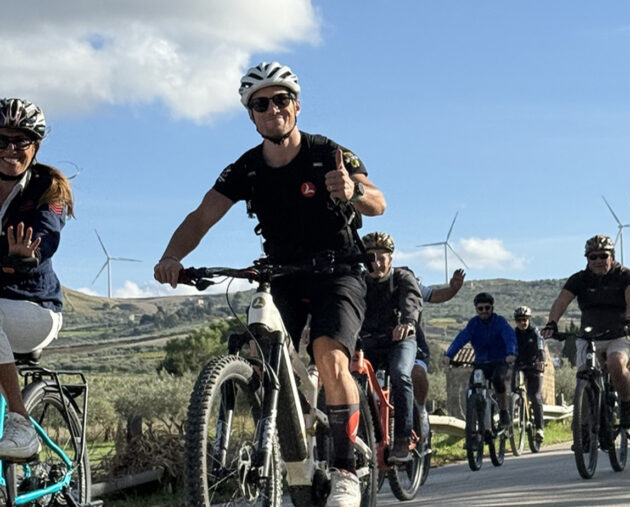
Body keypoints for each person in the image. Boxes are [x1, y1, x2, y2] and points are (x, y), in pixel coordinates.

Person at [153, 62, 385, 507]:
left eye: (281, 100)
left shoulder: (327, 153)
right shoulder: (246, 169)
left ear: (295, 106)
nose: (272, 109)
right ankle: (283, 449)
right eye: (261, 104)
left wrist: (352, 192)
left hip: (339, 270)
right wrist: (172, 258)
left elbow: (378, 202)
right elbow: (202, 217)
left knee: (329, 355)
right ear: (251, 115)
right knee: (261, 356)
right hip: (281, 272)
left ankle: (344, 470)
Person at [0, 99, 74, 460]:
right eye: (2, 140)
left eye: (22, 142)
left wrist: (29, 254)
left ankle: (20, 421)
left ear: (36, 147)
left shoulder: (48, 188)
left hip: (35, 308)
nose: (11, 150)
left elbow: (45, 236)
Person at [541, 235, 630, 429]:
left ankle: (627, 405)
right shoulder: (579, 279)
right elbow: (561, 301)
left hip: (620, 334)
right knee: (584, 375)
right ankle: (584, 428)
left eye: (602, 256)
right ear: (587, 259)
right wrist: (552, 323)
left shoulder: (625, 275)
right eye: (592, 257)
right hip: (589, 336)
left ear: (611, 256)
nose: (597, 261)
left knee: (615, 363)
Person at [358, 232, 421, 463]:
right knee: (350, 377)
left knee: (400, 374)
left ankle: (403, 438)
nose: (375, 263)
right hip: (369, 342)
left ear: (390, 259)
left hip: (400, 340)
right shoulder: (359, 282)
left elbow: (412, 301)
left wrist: (407, 322)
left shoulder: (402, 277)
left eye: (381, 257)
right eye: (370, 258)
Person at [443, 293, 517, 426]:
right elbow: (461, 338)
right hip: (481, 362)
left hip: (499, 361)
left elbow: (509, 336)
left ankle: (504, 411)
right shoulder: (473, 324)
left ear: (492, 308)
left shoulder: (500, 322)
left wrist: (511, 353)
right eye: (480, 308)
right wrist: (449, 355)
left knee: (498, 380)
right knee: (471, 386)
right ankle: (472, 423)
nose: (484, 311)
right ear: (476, 309)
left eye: (487, 308)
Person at [412, 268, 465, 438]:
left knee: (417, 373)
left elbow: (434, 295)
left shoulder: (405, 279)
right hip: (373, 340)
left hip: (410, 339)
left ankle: (420, 412)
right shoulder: (362, 280)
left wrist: (453, 289)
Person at [511, 305, 546, 442]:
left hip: (534, 366)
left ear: (529, 319)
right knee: (512, 390)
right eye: (519, 320)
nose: (522, 322)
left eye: (525, 319)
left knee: (535, 396)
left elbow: (541, 348)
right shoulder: (513, 334)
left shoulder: (535, 333)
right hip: (519, 365)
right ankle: (515, 414)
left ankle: (539, 428)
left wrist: (541, 361)